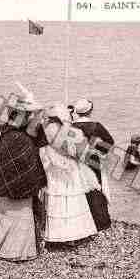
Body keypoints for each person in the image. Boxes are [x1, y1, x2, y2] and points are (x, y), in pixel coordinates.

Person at [0, 85, 48, 262]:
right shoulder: (21, 138)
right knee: (20, 213)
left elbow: (38, 139)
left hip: (6, 184)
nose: (34, 118)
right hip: (21, 185)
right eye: (30, 115)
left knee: (4, 212)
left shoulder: (8, 133)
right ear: (24, 116)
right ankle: (16, 251)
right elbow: (38, 143)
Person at [39, 103, 98, 244]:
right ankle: (72, 235)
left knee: (56, 200)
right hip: (67, 167)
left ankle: (54, 234)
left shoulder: (45, 129)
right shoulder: (63, 131)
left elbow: (43, 149)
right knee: (71, 199)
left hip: (52, 168)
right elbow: (73, 150)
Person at [71, 98, 114, 231]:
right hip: (92, 158)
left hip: (75, 158)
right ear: (90, 111)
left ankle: (81, 220)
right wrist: (98, 151)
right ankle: (101, 221)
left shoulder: (71, 126)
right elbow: (109, 141)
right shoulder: (96, 125)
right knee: (96, 187)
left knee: (78, 186)